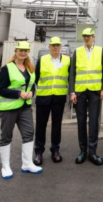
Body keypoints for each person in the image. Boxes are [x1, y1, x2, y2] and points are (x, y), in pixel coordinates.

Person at [0, 41, 42, 179]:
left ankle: (27, 164)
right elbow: (0, 89)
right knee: (6, 136)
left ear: (28, 52)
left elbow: (31, 85)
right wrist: (18, 94)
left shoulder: (29, 68)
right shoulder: (7, 68)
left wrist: (32, 92)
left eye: (25, 50)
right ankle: (5, 167)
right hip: (9, 108)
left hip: (25, 107)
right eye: (20, 50)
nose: (23, 52)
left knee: (28, 133)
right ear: (16, 51)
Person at [68, 28, 103, 166]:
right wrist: (72, 92)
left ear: (93, 37)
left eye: (89, 36)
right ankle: (83, 151)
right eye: (85, 36)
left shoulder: (100, 51)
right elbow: (72, 73)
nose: (87, 38)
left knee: (94, 122)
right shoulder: (77, 51)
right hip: (80, 91)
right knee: (81, 121)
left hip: (95, 91)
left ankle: (92, 152)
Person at [33, 36, 70, 165]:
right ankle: (39, 152)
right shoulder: (42, 59)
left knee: (57, 125)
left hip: (59, 97)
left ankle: (55, 150)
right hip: (43, 97)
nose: (55, 47)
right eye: (53, 45)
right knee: (41, 125)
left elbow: (70, 78)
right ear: (49, 46)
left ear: (60, 47)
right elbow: (35, 77)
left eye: (57, 45)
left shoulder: (67, 60)